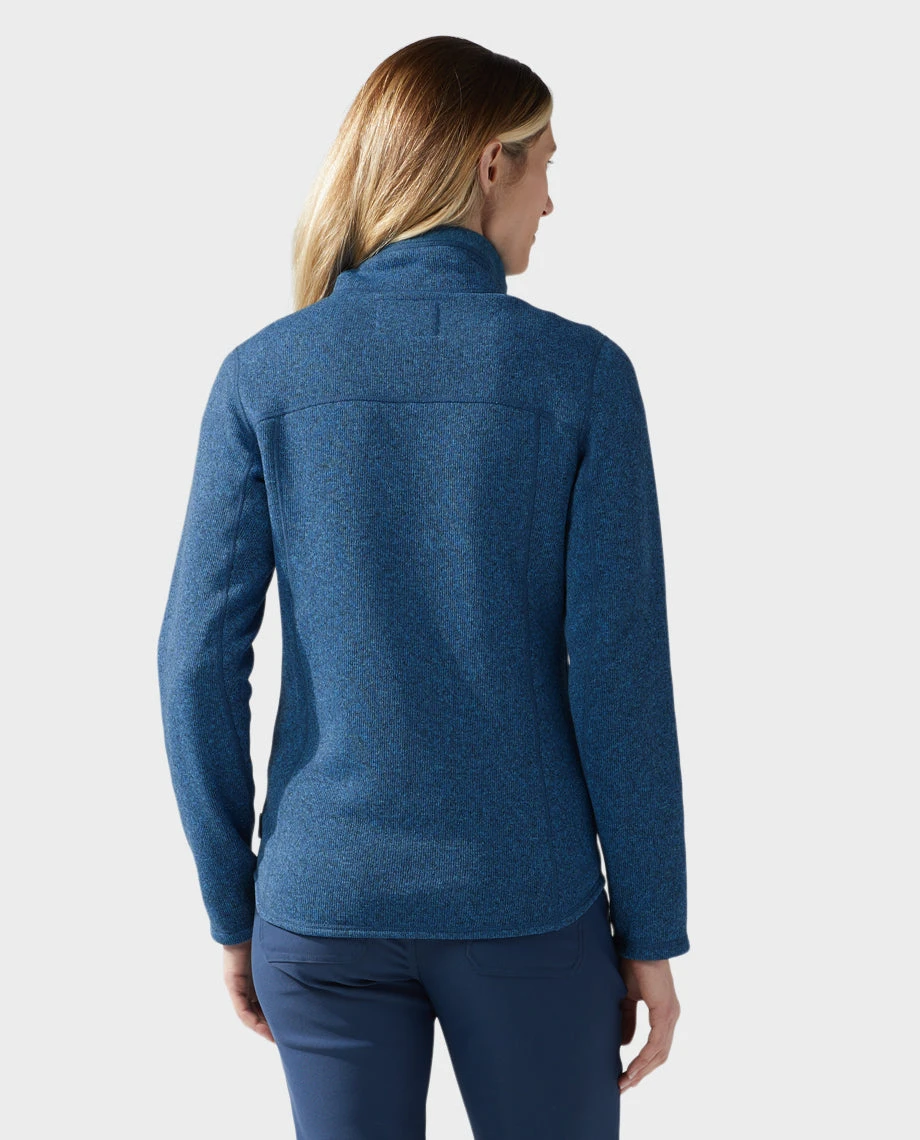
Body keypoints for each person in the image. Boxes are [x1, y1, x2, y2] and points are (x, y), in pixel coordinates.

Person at [157, 34, 690, 1140]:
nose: (552, 200)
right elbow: (620, 673)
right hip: (525, 901)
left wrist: (233, 902)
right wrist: (650, 928)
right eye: (546, 162)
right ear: (491, 164)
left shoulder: (262, 374)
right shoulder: (582, 375)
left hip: (322, 904)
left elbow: (194, 663)